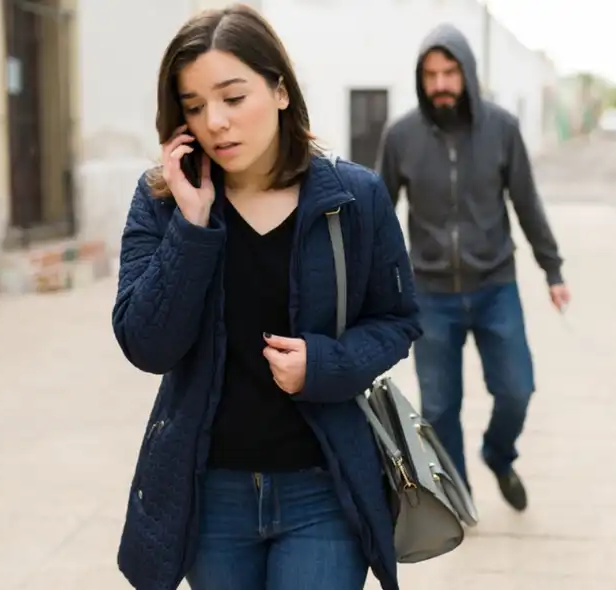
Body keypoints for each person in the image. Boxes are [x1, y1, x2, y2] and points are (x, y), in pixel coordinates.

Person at [111, 6, 421, 590]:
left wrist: (323, 365)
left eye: (233, 97)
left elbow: (397, 320)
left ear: (280, 89)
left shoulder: (354, 197)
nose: (216, 123)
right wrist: (192, 225)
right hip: (211, 496)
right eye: (195, 106)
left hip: (322, 490)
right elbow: (146, 344)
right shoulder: (162, 200)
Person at [375, 23, 569, 513]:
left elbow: (526, 202)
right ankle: (458, 494)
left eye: (449, 72)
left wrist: (553, 270)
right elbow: (378, 215)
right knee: (440, 409)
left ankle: (499, 456)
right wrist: (372, 283)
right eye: (431, 74)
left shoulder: (502, 129)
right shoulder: (400, 136)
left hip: (494, 286)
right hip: (431, 295)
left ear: (468, 73)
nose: (440, 83)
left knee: (517, 390)